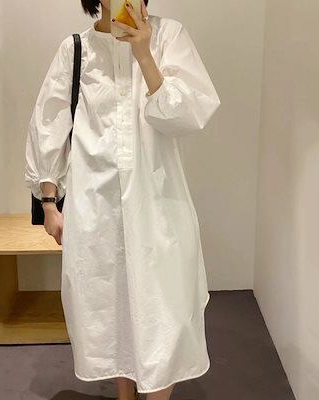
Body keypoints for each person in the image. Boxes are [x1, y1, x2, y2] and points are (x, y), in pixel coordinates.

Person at [24, 0, 221, 399]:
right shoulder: (76, 49)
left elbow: (187, 116)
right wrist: (48, 202)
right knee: (110, 306)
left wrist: (144, 54)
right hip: (95, 205)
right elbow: (49, 123)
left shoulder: (168, 37)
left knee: (165, 308)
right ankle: (124, 394)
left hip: (158, 202)